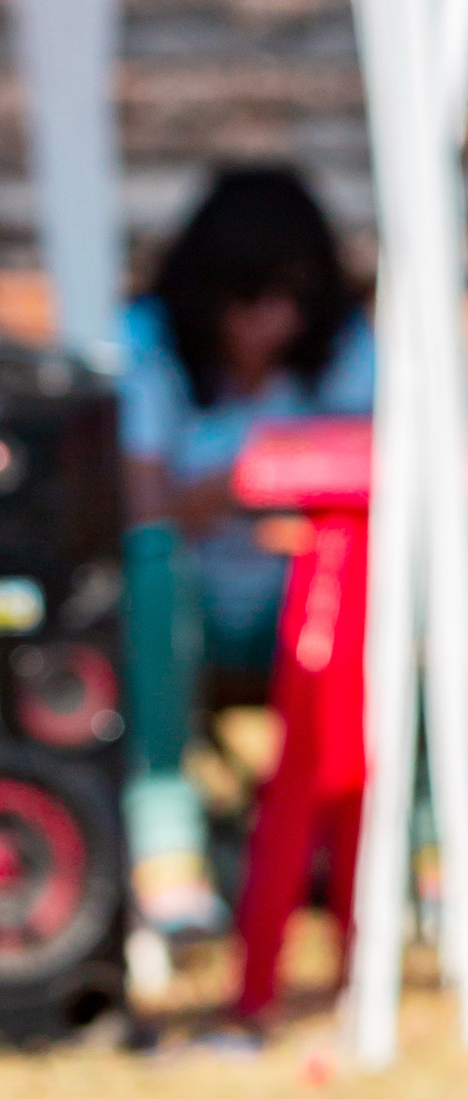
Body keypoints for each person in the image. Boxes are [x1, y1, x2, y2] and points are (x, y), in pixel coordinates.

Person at [120, 165, 374, 942]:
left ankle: (400, 860)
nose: (278, 321)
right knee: (150, 566)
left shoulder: (348, 345)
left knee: (380, 589)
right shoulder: (147, 342)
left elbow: (376, 492)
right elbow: (140, 511)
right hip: (187, 616)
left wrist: (228, 492)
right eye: (253, 296)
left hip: (314, 610)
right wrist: (256, 479)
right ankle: (168, 860)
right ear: (208, 290)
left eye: (296, 296)